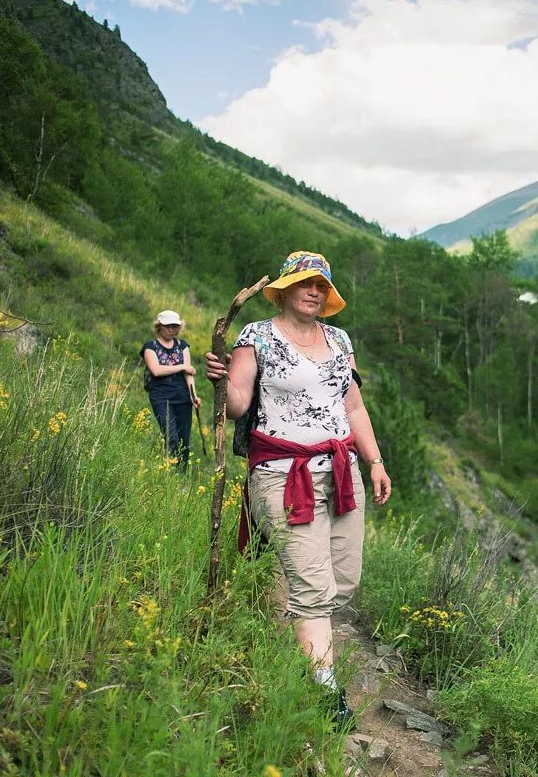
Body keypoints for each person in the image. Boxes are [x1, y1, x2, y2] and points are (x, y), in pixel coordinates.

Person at [205, 251, 391, 728]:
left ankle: (299, 643)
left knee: (342, 583)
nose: (315, 291)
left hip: (343, 469)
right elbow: (239, 403)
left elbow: (353, 408)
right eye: (307, 282)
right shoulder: (258, 337)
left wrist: (374, 461)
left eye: (322, 286)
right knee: (312, 587)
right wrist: (222, 381)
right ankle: (326, 695)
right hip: (284, 472)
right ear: (285, 288)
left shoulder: (339, 339)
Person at [140, 310, 200, 470]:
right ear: (159, 326)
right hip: (161, 396)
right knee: (171, 436)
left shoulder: (182, 346)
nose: (171, 330)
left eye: (175, 326)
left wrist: (194, 395)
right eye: (168, 326)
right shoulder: (150, 347)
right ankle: (170, 470)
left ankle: (182, 476)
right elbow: (156, 370)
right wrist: (182, 366)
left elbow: (189, 374)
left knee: (184, 439)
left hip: (182, 396)